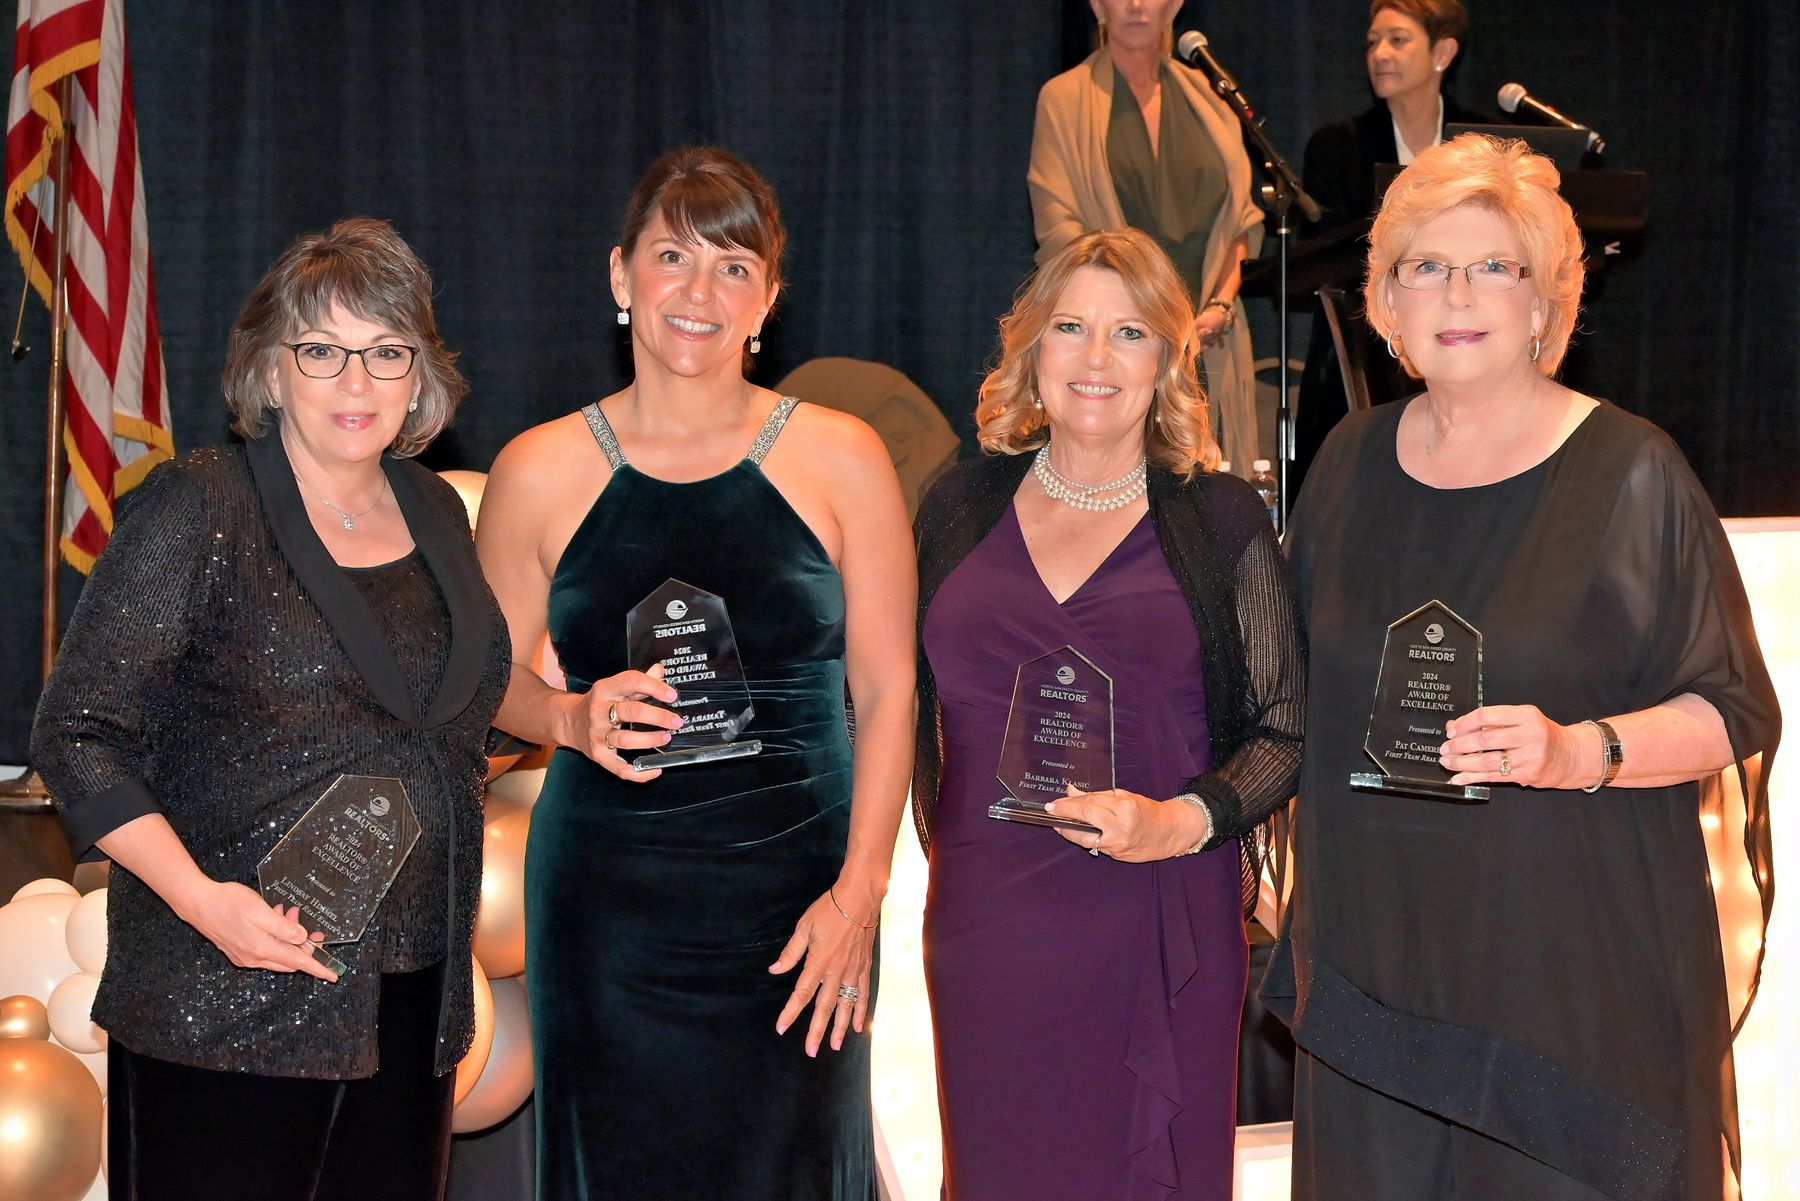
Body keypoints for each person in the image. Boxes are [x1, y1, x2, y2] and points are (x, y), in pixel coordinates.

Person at [1262, 133, 1780, 1201]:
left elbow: (1728, 708)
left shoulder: (1633, 472)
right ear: (1385, 303)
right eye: (1425, 266)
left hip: (1562, 984)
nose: (1457, 293)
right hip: (1375, 975)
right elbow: (1290, 693)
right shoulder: (1346, 465)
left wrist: (1577, 750)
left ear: (1546, 302)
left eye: (1493, 265)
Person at [31, 218, 510, 1200]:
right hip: (226, 994)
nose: (356, 381)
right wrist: (206, 904)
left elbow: (441, 715)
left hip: (411, 999)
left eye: (386, 352)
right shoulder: (199, 505)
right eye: (322, 350)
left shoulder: (435, 509)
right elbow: (77, 733)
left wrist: (577, 714)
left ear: (420, 376)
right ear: (271, 370)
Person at [476, 147, 915, 1201]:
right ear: (620, 275)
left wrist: (860, 895)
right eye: (673, 256)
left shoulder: (845, 455)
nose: (699, 290)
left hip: (803, 910)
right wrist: (569, 716)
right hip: (609, 913)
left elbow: (890, 691)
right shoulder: (537, 467)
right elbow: (483, 684)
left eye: (734, 266)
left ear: (768, 299)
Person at [914, 227, 1304, 1199]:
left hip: (1156, 916)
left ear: (1169, 358)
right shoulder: (955, 506)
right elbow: (893, 700)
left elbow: (1286, 727)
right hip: (988, 923)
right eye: (1071, 327)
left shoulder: (1220, 520)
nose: (1096, 357)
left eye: (1129, 332)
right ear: (1030, 345)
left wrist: (1181, 821)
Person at [1028, 0, 1267, 475]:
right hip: (1116, 342)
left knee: (1210, 493)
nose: (1136, 5)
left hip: (1209, 336)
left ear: (1174, 5)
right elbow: (1059, 232)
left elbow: (1240, 221)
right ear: (1097, 6)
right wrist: (1141, 320)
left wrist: (1220, 306)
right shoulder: (1064, 98)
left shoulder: (1209, 96)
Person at [1292, 0, 1481, 495]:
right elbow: (1332, 253)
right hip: (1362, 354)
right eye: (1373, 42)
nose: (1379, 54)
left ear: (1443, 53)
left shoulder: (1481, 146)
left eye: (1398, 40)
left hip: (1464, 348)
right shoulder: (1337, 147)